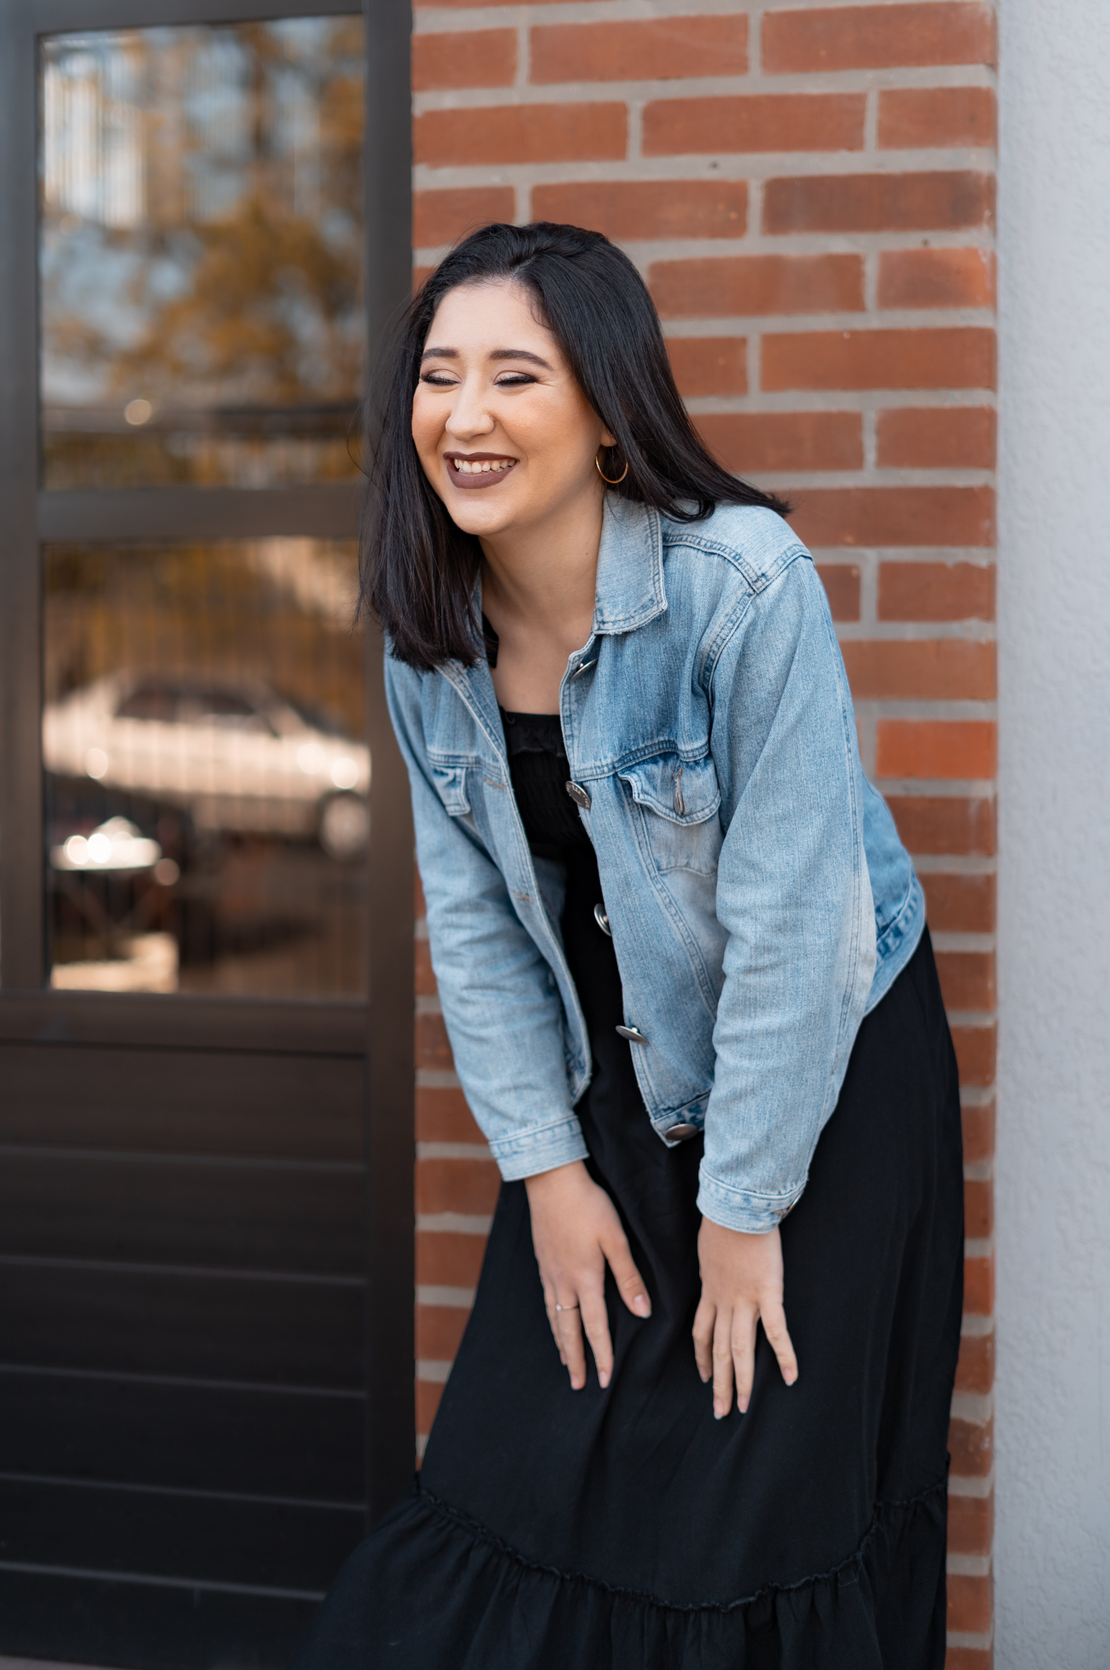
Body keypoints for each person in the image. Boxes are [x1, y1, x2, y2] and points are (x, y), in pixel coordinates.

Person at [294, 222, 963, 1669]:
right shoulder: (429, 633)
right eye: (438, 376)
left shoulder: (743, 586)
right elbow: (475, 928)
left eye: (515, 375)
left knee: (750, 1508)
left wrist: (745, 1212)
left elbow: (797, 934)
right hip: (610, 1077)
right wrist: (546, 1171)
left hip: (819, 1077)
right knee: (519, 1466)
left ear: (607, 408)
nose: (464, 414)